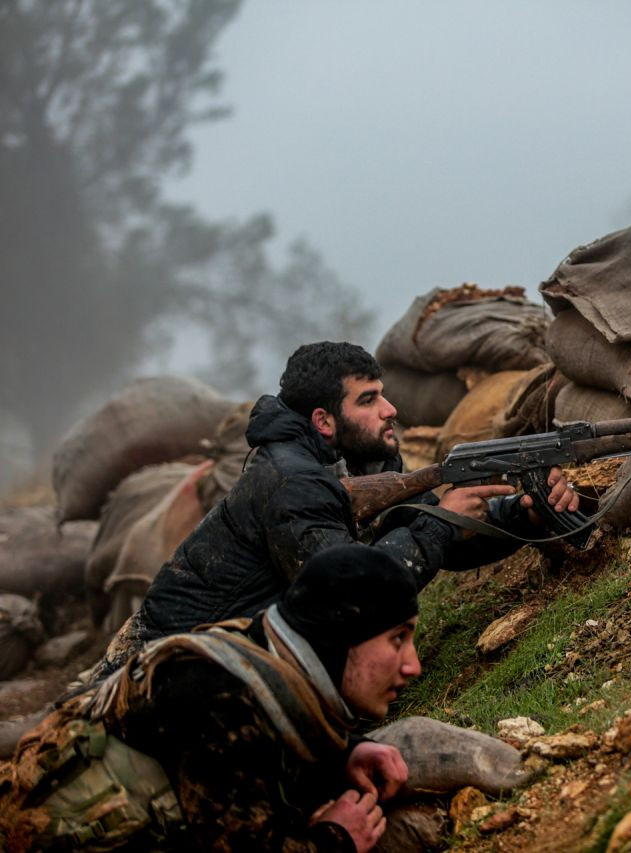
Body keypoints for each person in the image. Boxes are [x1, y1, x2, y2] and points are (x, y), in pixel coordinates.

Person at [93, 341, 578, 677]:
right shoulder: (290, 480)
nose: (389, 409)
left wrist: (523, 515)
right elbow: (348, 597)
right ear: (324, 420)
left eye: (382, 394)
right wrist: (441, 525)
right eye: (368, 399)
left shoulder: (365, 460)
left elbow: (429, 528)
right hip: (161, 663)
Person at [1, 545, 428, 851]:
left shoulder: (260, 656)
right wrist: (334, 839)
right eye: (397, 639)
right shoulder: (217, 699)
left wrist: (346, 753)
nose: (413, 666)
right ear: (339, 639)